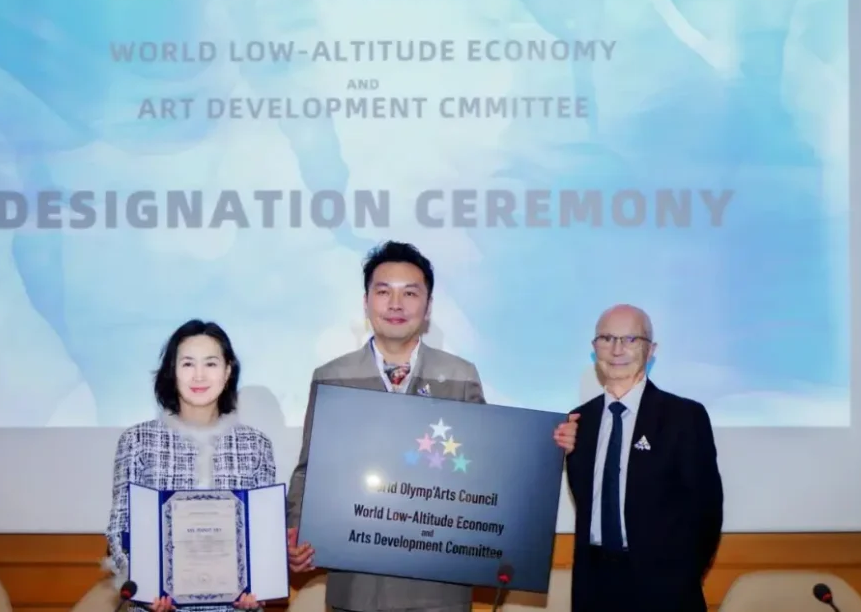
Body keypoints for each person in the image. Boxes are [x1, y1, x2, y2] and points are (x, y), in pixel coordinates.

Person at [285, 241, 580, 612]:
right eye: (383, 292)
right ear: (366, 302)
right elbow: (308, 470)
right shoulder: (333, 377)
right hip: (357, 589)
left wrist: (548, 446)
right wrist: (297, 532)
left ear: (427, 307)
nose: (396, 304)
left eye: (410, 293)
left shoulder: (459, 375)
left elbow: (486, 469)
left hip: (438, 590)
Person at [104, 319, 274, 612]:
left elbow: (264, 532)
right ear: (172, 372)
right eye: (187, 364)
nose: (199, 376)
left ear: (228, 370)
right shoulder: (137, 441)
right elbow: (120, 531)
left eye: (210, 363)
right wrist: (146, 587)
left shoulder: (256, 445)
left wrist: (261, 584)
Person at [565, 304, 724, 612]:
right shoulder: (578, 422)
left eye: (630, 339)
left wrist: (681, 578)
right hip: (594, 587)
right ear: (594, 347)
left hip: (664, 592)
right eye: (607, 338)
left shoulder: (684, 417)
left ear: (651, 349)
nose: (616, 349)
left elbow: (707, 512)